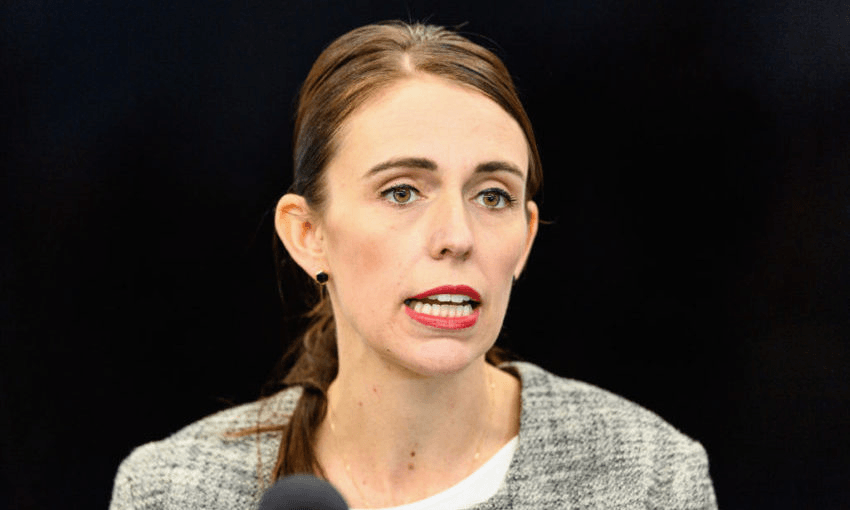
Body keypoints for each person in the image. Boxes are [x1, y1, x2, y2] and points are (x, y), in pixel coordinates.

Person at [109, 21, 717, 509]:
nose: (457, 236)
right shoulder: (173, 492)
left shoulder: (648, 480)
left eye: (492, 196)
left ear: (525, 239)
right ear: (307, 234)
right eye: (402, 191)